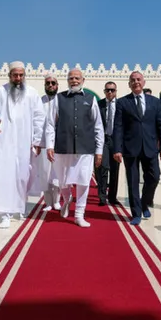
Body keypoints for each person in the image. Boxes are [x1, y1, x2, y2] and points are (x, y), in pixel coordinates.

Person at [0, 61, 45, 229]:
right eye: (15, 75)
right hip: (4, 142)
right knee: (4, 177)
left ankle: (20, 207)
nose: (18, 78)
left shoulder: (31, 93)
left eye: (21, 75)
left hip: (25, 142)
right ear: (9, 76)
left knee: (23, 177)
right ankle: (5, 213)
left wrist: (37, 140)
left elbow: (39, 117)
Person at [45, 69, 104, 227]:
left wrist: (99, 151)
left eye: (77, 78)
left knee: (84, 180)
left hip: (85, 148)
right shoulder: (59, 98)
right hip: (62, 147)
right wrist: (49, 145)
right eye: (71, 78)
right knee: (63, 180)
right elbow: (50, 124)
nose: (74, 81)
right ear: (67, 80)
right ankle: (66, 199)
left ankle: (79, 214)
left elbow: (98, 126)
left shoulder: (91, 99)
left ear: (83, 80)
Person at [112, 71, 161, 226]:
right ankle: (136, 213)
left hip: (150, 147)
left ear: (144, 82)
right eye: (133, 80)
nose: (136, 82)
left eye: (138, 79)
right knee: (133, 181)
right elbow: (118, 127)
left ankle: (144, 202)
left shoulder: (155, 102)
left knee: (155, 176)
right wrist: (117, 148)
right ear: (129, 84)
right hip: (131, 148)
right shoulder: (123, 102)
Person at [30, 74, 61, 212]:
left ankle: (57, 201)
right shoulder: (39, 102)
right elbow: (34, 123)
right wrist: (35, 142)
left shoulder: (62, 101)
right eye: (48, 83)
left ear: (57, 85)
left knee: (58, 174)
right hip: (42, 144)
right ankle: (48, 202)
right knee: (44, 175)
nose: (50, 85)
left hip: (58, 144)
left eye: (53, 83)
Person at [96, 81, 121, 206]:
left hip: (116, 140)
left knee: (115, 169)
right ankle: (102, 196)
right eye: (108, 90)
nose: (110, 92)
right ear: (104, 91)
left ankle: (112, 197)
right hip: (103, 139)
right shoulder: (99, 104)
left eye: (112, 90)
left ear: (116, 91)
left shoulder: (121, 105)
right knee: (102, 168)